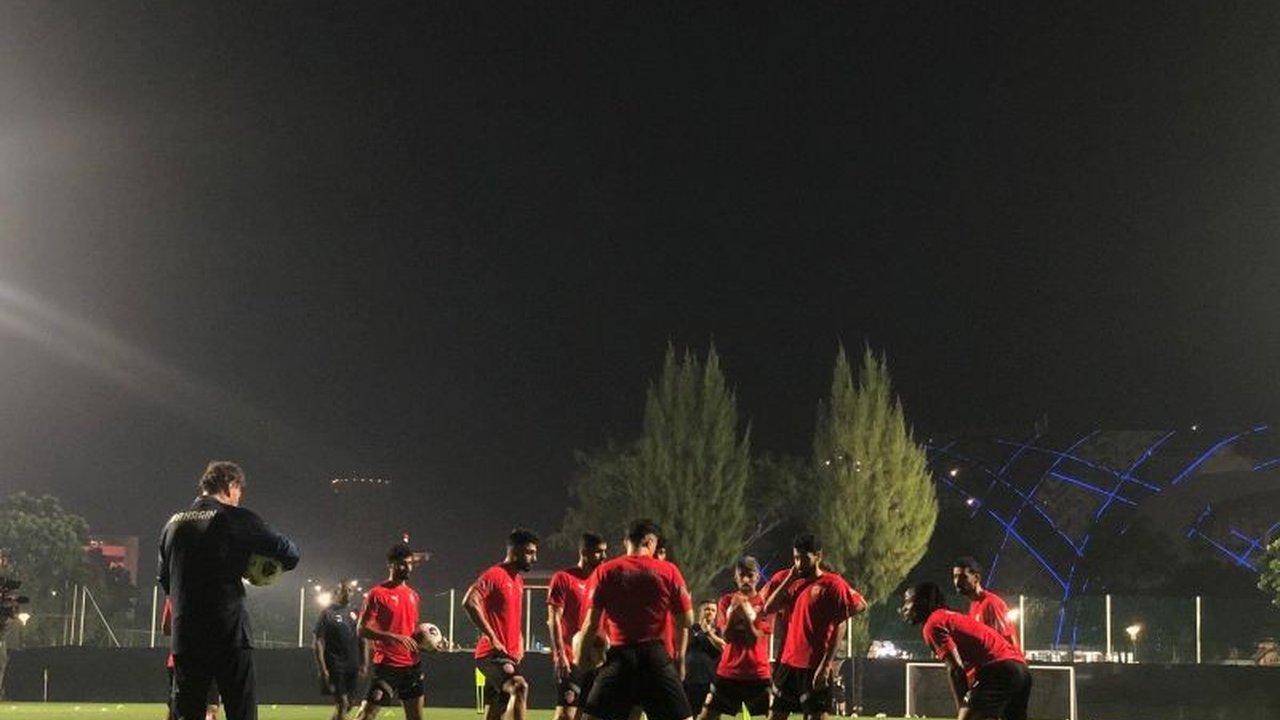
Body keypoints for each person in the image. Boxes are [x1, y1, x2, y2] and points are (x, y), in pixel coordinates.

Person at [158, 461, 299, 720]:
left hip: (186, 637)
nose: (238, 499)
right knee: (240, 712)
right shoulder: (234, 517)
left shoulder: (172, 525)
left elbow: (165, 581)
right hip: (228, 633)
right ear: (230, 485)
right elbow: (290, 552)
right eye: (238, 492)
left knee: (188, 714)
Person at [576, 518, 694, 720]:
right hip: (655, 659)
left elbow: (591, 624)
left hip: (620, 658)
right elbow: (686, 622)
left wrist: (580, 656)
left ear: (626, 542)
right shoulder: (668, 571)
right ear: (649, 542)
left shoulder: (605, 571)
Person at [761, 533, 867, 720]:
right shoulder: (786, 579)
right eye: (796, 558)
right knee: (775, 716)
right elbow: (768, 608)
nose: (799, 563)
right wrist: (790, 579)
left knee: (816, 716)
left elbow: (840, 624)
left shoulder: (832, 584)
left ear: (818, 556)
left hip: (814, 665)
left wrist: (826, 665)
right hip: (788, 664)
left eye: (805, 558)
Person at [901, 581, 1030, 720]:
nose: (904, 608)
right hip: (1021, 670)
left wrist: (962, 707)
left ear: (923, 602)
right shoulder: (948, 617)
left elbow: (956, 669)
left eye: (908, 602)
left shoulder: (932, 624)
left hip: (999, 670)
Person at [464, 528, 540, 720]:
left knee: (497, 710)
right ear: (514, 551)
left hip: (510, 655)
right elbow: (469, 602)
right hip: (492, 655)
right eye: (530, 552)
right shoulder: (495, 574)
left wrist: (520, 641)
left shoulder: (518, 581)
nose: (534, 558)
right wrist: (492, 637)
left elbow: (512, 616)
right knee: (519, 686)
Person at [353, 542, 429, 720]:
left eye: (409, 563)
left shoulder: (413, 595)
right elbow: (361, 629)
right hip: (388, 666)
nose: (406, 567)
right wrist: (392, 636)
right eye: (402, 563)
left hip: (412, 666)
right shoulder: (377, 593)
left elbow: (412, 631)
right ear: (391, 565)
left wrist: (430, 642)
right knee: (366, 715)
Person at [698, 556, 772, 720]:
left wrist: (744, 613)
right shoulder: (726, 601)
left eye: (750, 575)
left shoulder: (765, 603)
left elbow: (755, 638)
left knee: (773, 717)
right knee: (706, 716)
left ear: (758, 577)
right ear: (736, 577)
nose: (746, 579)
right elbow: (727, 636)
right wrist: (736, 612)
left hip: (757, 672)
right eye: (741, 575)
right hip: (729, 671)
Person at [548, 532, 609, 720]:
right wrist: (560, 655)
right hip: (570, 659)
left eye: (604, 552)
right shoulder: (563, 578)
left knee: (586, 715)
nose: (604, 557)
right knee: (566, 714)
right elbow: (553, 619)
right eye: (599, 552)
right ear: (584, 553)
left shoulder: (603, 582)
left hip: (596, 661)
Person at [162, 596, 221, 720]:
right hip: (207, 657)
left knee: (176, 707)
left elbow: (166, 628)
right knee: (210, 707)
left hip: (178, 659)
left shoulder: (173, 593)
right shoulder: (212, 590)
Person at [314, 580, 365, 720]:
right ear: (337, 592)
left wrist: (364, 662)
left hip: (352, 665)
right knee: (342, 703)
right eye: (344, 590)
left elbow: (363, 638)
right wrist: (323, 668)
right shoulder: (327, 613)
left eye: (350, 590)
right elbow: (318, 641)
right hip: (335, 665)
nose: (348, 593)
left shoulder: (356, 612)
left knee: (349, 705)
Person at [952, 557, 1019, 651]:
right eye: (955, 577)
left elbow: (1008, 641)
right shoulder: (974, 606)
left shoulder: (991, 603)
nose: (957, 582)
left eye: (963, 577)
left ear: (977, 578)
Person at [683, 601, 724, 712]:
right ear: (700, 611)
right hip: (688, 680)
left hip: (709, 680)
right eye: (707, 609)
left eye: (713, 610)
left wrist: (709, 633)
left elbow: (724, 648)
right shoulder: (690, 629)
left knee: (708, 714)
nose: (710, 612)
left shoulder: (718, 631)